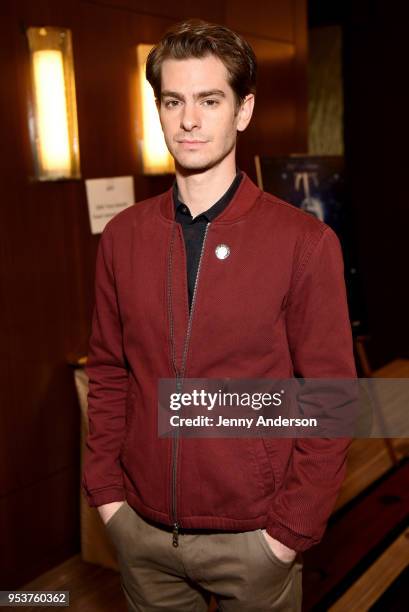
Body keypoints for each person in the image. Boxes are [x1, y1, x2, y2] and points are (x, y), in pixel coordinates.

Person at [82, 19, 356, 612]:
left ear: (244, 110)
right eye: (173, 101)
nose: (189, 120)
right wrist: (108, 495)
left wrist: (286, 534)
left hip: (255, 540)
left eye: (210, 100)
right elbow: (107, 372)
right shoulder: (122, 238)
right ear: (157, 109)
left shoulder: (303, 243)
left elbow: (331, 397)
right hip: (142, 532)